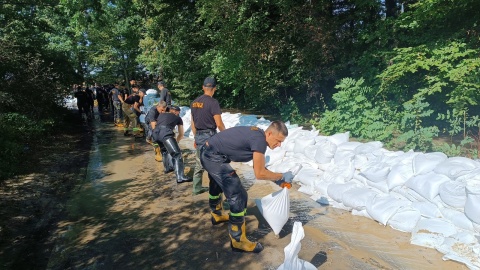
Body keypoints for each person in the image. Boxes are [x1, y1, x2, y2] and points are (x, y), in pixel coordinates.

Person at [200, 121, 294, 253]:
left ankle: (216, 214)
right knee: (238, 195)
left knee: (217, 184)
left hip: (209, 152)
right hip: (213, 157)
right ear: (270, 133)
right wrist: (281, 175)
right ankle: (238, 240)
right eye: (278, 141)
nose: (279, 145)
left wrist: (279, 181)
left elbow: (259, 166)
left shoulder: (258, 136)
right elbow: (260, 174)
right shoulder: (259, 141)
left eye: (281, 143)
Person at [190, 77, 226, 195]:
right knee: (214, 164)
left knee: (199, 163)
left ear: (203, 87)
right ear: (214, 88)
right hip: (210, 136)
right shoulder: (213, 102)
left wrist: (196, 137)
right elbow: (219, 123)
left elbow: (193, 123)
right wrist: (226, 135)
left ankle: (196, 188)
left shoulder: (194, 102)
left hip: (199, 135)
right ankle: (215, 191)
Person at [152, 104, 191, 183]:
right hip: (166, 134)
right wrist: (176, 141)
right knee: (177, 154)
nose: (178, 114)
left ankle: (167, 168)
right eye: (178, 112)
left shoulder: (161, 115)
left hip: (155, 134)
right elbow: (181, 134)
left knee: (164, 151)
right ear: (175, 111)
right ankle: (180, 177)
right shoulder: (178, 118)